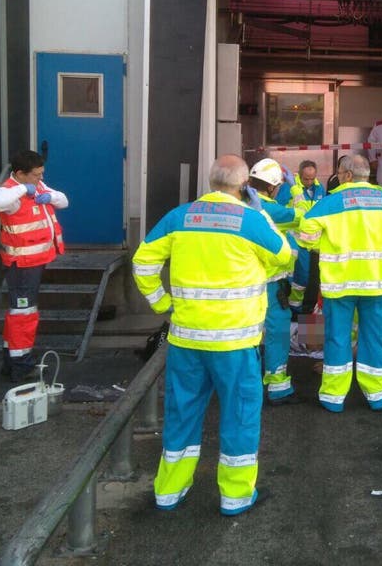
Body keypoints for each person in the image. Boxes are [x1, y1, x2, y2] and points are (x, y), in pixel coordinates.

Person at [132, 155, 291, 516]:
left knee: (182, 412)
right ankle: (235, 496)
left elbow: (142, 263)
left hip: (187, 339)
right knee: (239, 414)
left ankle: (169, 491)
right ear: (243, 186)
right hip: (234, 343)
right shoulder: (250, 219)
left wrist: (162, 303)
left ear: (210, 181)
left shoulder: (180, 216)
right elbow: (284, 256)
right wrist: (262, 219)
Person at [297, 154, 382, 412]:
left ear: (345, 175)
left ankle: (333, 397)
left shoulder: (330, 202)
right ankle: (377, 395)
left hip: (340, 283)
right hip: (380, 283)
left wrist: (325, 245)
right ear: (368, 175)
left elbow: (306, 236)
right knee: (375, 337)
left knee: (337, 337)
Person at [0, 150, 68, 383]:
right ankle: (21, 364)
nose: (40, 179)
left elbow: (64, 200)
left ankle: (11, 360)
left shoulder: (37, 185)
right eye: (36, 175)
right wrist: (24, 190)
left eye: (42, 174)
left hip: (33, 262)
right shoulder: (11, 192)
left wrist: (48, 196)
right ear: (21, 174)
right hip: (22, 265)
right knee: (23, 314)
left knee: (18, 312)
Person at [247, 158, 301, 405]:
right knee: (277, 332)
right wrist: (297, 188)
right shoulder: (274, 211)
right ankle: (278, 387)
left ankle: (248, 383)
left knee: (248, 334)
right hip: (271, 284)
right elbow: (306, 216)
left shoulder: (243, 205)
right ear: (272, 187)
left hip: (244, 283)